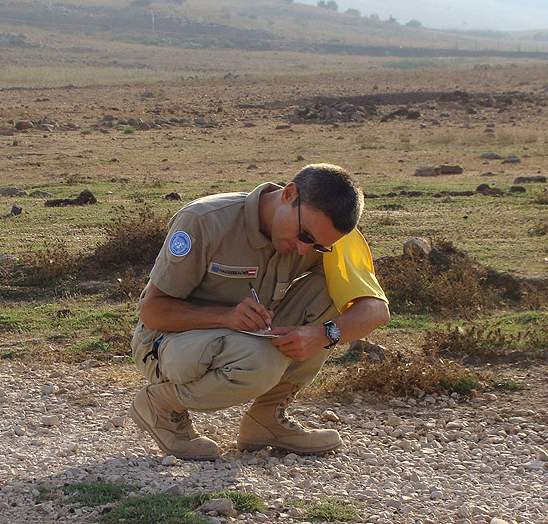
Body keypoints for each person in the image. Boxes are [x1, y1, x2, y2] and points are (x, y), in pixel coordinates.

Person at [130, 163, 390, 460]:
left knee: (333, 288)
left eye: (318, 247)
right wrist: (225, 316)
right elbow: (152, 312)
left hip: (246, 337)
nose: (304, 250)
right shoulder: (205, 220)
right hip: (167, 342)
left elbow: (375, 309)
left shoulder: (326, 235)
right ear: (289, 194)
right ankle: (162, 405)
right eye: (304, 236)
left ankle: (265, 419)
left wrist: (323, 334)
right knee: (261, 362)